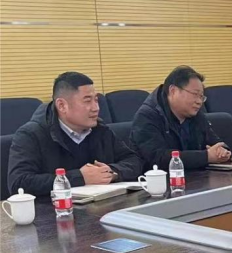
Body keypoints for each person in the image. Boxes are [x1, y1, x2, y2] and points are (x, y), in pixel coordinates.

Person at [7, 72, 142, 197]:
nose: (96, 108)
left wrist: (111, 172)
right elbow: (18, 183)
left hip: (100, 207)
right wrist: (80, 177)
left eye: (96, 100)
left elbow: (134, 160)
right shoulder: (31, 135)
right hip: (53, 210)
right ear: (62, 105)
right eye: (87, 101)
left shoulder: (100, 129)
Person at [130, 66, 231, 170]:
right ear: (173, 91)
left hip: (195, 176)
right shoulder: (147, 116)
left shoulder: (195, 114)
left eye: (201, 96)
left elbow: (216, 142)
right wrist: (206, 157)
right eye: (195, 94)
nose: (199, 101)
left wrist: (222, 151)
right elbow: (158, 159)